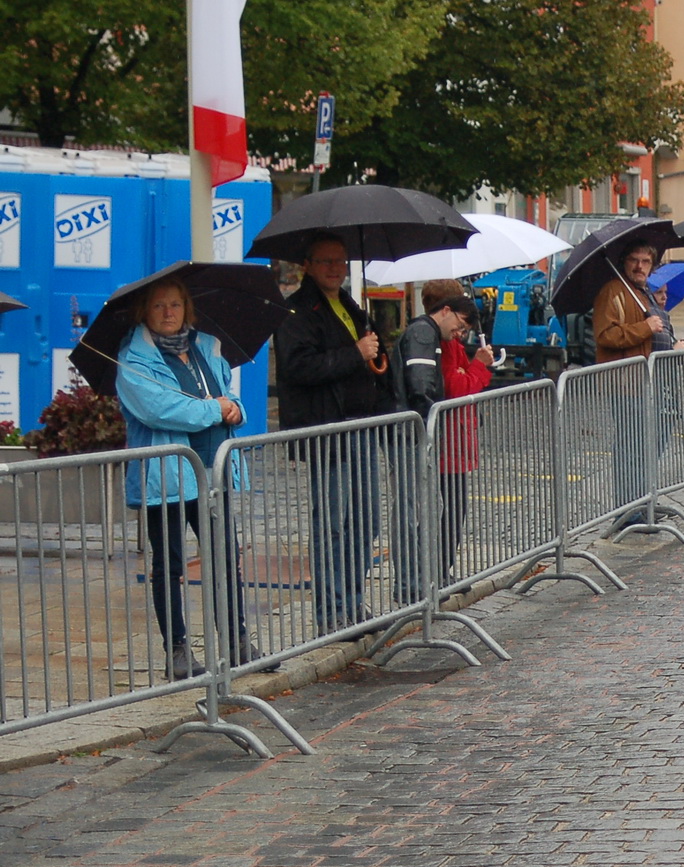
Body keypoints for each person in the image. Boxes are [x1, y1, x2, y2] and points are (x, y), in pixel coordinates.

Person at [116, 278, 253, 677]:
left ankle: (237, 640)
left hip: (213, 471)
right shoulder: (134, 358)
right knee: (170, 563)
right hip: (167, 476)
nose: (168, 312)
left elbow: (227, 393)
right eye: (159, 305)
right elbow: (159, 409)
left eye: (175, 304)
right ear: (145, 311)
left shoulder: (206, 347)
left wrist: (235, 409)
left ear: (186, 308)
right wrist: (215, 410)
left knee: (225, 557)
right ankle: (177, 650)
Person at [276, 233, 393, 633]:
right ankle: (331, 612)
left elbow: (367, 355)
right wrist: (354, 353)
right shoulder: (296, 311)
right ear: (307, 265)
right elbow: (298, 367)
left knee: (365, 521)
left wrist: (374, 354)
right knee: (332, 524)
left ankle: (353, 603)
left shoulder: (350, 305)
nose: (334, 268)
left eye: (340, 261)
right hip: (327, 430)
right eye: (325, 261)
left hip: (361, 425)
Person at [415, 280, 492, 583]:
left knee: (454, 506)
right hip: (449, 438)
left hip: (456, 437)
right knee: (449, 507)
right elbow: (458, 387)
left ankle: (440, 570)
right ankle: (435, 571)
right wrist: (478, 366)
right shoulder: (444, 345)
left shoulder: (450, 342)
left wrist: (471, 371)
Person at [594, 241, 670, 514]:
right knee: (630, 447)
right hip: (625, 382)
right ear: (624, 262)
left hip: (647, 382)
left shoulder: (642, 292)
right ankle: (629, 510)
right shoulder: (613, 291)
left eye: (645, 261)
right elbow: (606, 335)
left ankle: (643, 501)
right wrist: (644, 328)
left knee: (644, 445)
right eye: (634, 260)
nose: (640, 266)